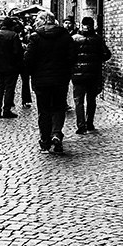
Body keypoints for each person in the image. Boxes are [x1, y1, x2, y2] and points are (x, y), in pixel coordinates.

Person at [24, 10, 76, 153]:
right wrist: (65, 71)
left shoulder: (35, 37)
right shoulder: (65, 36)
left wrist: (32, 73)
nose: (36, 23)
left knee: (44, 111)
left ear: (45, 21)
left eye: (38, 20)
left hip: (41, 82)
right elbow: (72, 57)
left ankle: (45, 142)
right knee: (59, 108)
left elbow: (28, 60)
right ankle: (56, 133)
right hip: (60, 80)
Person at [71, 17, 113, 134]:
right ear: (93, 25)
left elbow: (69, 56)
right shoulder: (98, 39)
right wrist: (96, 59)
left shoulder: (74, 39)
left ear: (81, 25)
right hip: (93, 74)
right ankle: (90, 123)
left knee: (78, 101)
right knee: (91, 100)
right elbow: (106, 54)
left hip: (78, 75)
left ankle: (81, 126)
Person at [18, 18, 33, 108]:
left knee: (25, 81)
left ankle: (26, 99)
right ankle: (26, 99)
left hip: (21, 62)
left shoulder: (27, 37)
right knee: (25, 81)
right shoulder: (15, 36)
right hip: (22, 62)